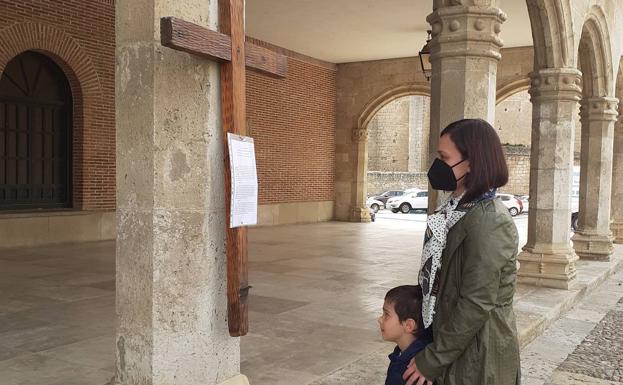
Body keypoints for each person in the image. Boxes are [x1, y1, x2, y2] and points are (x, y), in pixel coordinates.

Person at [403, 119, 521, 385]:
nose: (437, 165)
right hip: (453, 345)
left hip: (477, 356)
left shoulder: (490, 219)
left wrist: (432, 359)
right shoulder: (456, 209)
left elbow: (476, 302)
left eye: (445, 157)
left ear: (471, 162)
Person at [379, 285, 433, 385]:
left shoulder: (412, 370)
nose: (380, 319)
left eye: (386, 315)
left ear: (409, 325)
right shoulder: (402, 352)